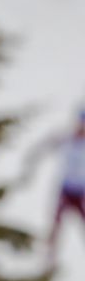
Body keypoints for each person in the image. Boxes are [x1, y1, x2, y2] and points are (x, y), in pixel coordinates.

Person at [40, 109, 85, 269]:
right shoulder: (68, 139)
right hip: (66, 189)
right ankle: (49, 257)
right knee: (56, 223)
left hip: (81, 192)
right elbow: (50, 143)